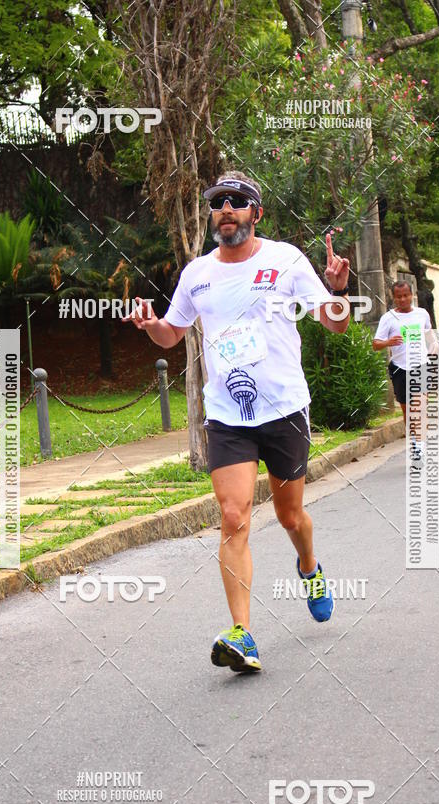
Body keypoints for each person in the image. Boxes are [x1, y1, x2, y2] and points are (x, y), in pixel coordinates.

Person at [125, 171, 350, 674]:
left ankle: (310, 568)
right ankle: (242, 635)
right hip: (228, 415)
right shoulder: (196, 275)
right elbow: (171, 333)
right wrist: (149, 325)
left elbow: (333, 320)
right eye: (218, 203)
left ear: (256, 213)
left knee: (291, 516)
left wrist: (339, 290)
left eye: (238, 201)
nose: (226, 209)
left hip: (285, 408)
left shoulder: (286, 259)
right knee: (233, 515)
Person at [372, 281, 433, 465]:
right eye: (398, 296)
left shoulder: (422, 314)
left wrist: (433, 354)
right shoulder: (388, 318)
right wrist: (388, 342)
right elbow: (376, 344)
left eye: (406, 295)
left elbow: (429, 335)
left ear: (412, 295)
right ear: (393, 297)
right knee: (407, 410)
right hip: (400, 367)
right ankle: (415, 443)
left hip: (421, 365)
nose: (402, 299)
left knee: (419, 406)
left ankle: (420, 445)